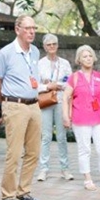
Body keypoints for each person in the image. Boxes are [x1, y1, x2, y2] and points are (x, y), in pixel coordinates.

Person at [0, 15, 44, 200]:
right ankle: (8, 195)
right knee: (13, 153)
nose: (31, 32)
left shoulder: (35, 52)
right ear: (17, 29)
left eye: (34, 28)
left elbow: (34, 79)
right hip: (15, 106)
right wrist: (4, 103)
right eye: (27, 28)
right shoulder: (6, 53)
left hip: (34, 105)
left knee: (33, 152)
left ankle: (24, 191)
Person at [62, 45, 100, 191]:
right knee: (84, 149)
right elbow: (65, 97)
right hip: (81, 119)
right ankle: (87, 179)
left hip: (99, 118)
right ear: (79, 60)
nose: (88, 59)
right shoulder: (74, 78)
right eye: (85, 56)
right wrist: (65, 116)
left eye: (90, 56)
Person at [37, 33, 73, 182]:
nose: (51, 47)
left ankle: (65, 168)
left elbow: (70, 83)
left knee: (61, 137)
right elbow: (34, 85)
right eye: (48, 44)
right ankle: (43, 169)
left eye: (54, 44)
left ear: (57, 45)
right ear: (44, 47)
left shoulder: (64, 63)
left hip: (60, 101)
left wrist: (59, 85)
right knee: (45, 136)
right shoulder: (39, 64)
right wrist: (47, 85)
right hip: (46, 101)